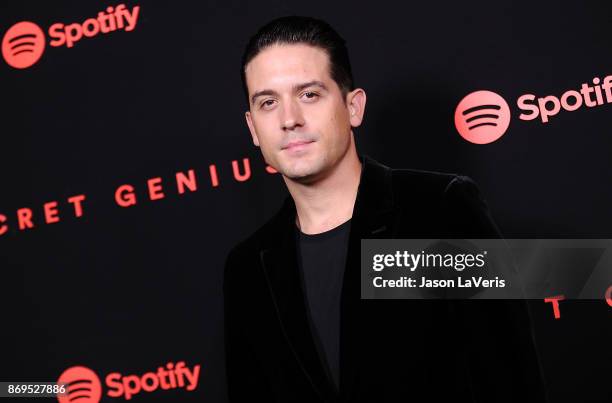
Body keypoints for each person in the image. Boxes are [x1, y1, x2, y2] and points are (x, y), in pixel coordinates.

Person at [224, 15, 547, 403]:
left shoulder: (438, 210)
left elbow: (510, 377)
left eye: (309, 94)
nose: (289, 119)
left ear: (353, 106)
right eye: (268, 102)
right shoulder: (248, 269)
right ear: (253, 128)